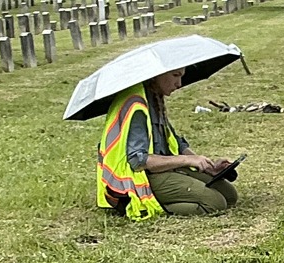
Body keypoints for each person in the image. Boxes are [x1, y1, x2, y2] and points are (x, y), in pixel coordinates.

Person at [97, 66, 238, 220]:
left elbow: (175, 141)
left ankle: (175, 195)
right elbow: (138, 161)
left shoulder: (153, 97)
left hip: (164, 168)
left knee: (229, 195)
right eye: (175, 75)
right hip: (140, 178)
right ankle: (143, 205)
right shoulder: (136, 105)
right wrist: (186, 160)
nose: (179, 83)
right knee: (215, 203)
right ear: (156, 75)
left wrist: (205, 165)